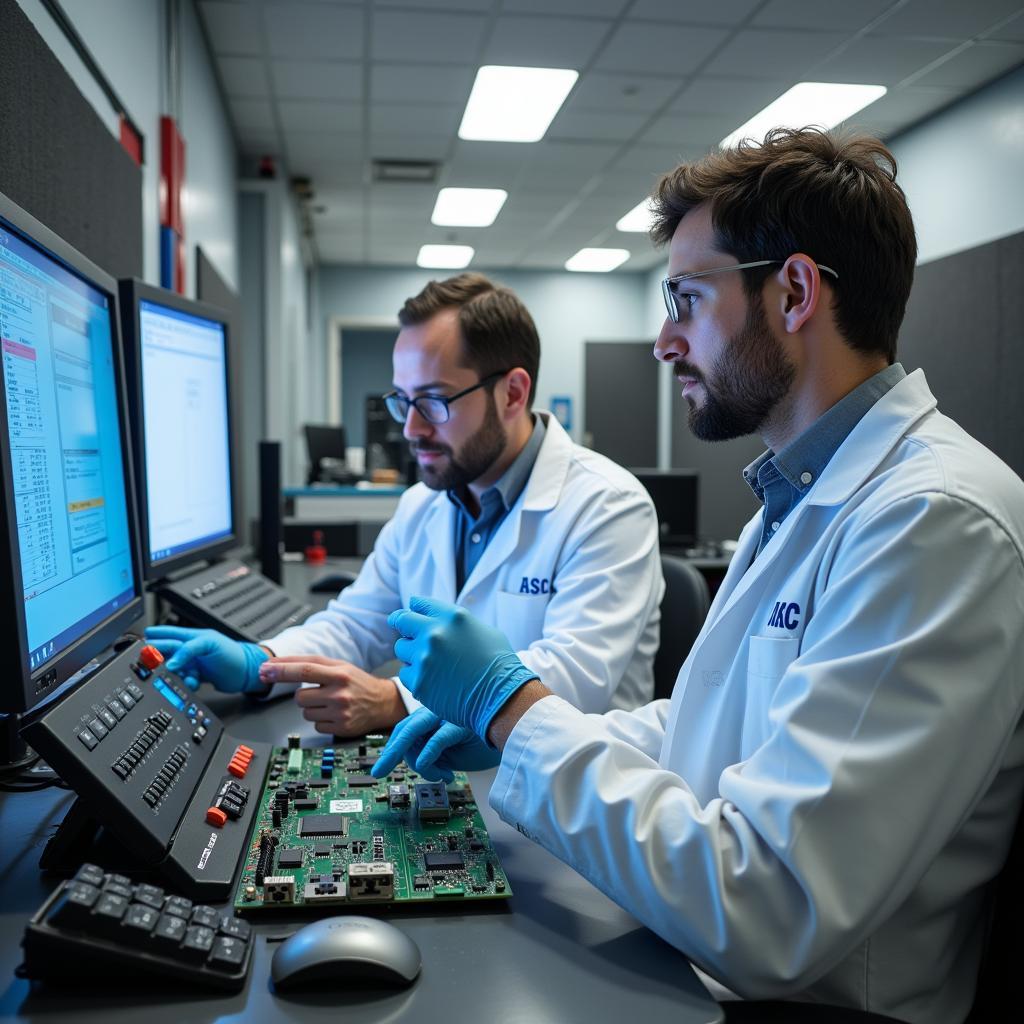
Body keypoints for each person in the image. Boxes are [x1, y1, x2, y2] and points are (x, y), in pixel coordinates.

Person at [373, 128, 1024, 1024]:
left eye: (684, 298)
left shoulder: (933, 521)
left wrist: (515, 710)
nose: (663, 342)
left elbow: (771, 903)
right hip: (705, 963)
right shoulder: (801, 497)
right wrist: (521, 728)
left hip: (808, 1002)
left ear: (794, 291)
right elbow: (710, 729)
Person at [146, 273, 663, 735]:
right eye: (402, 400)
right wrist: (259, 663)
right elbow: (359, 623)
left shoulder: (607, 506)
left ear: (512, 392)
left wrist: (396, 699)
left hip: (568, 805)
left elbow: (575, 679)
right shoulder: (423, 504)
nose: (411, 429)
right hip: (451, 783)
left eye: (434, 401)